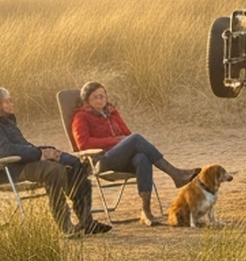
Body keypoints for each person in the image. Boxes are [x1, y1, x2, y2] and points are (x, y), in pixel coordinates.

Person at [0, 87, 110, 236]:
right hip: (8, 170)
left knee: (75, 165)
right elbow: (5, 151)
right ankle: (66, 227)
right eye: (7, 101)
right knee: (53, 170)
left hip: (24, 164)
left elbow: (23, 146)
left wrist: (49, 152)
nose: (12, 104)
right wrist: (39, 153)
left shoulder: (5, 122)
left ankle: (87, 222)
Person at [70, 81, 194, 227]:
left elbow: (127, 136)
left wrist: (123, 142)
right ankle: (175, 173)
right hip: (101, 160)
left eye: (103, 96)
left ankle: (146, 212)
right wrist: (115, 140)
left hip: (120, 159)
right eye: (96, 97)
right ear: (87, 100)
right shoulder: (81, 117)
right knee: (136, 138)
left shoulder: (112, 113)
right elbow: (83, 144)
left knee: (142, 158)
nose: (101, 100)